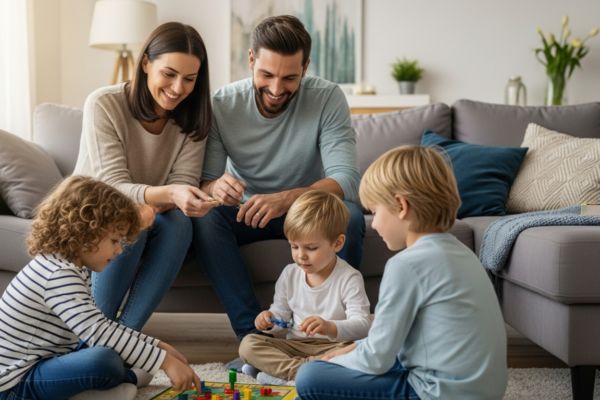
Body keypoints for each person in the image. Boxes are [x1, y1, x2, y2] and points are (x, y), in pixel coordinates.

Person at [193, 15, 366, 352]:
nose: (275, 90)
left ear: (306, 67)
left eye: (290, 78)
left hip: (307, 213)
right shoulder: (221, 104)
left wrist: (287, 199)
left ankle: (337, 338)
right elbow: (206, 182)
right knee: (205, 217)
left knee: (351, 215)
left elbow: (348, 180)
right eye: (266, 75)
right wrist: (216, 188)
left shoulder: (328, 98)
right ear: (251, 59)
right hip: (247, 212)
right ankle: (253, 338)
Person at [295, 146, 508, 400]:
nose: (373, 223)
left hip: (434, 394)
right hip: (485, 393)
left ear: (400, 206)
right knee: (369, 356)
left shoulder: (406, 265)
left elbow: (376, 360)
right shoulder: (464, 255)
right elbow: (401, 339)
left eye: (374, 212)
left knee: (309, 377)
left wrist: (339, 362)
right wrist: (354, 348)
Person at [0, 176, 201, 400]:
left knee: (107, 348)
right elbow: (98, 331)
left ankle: (94, 389)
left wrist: (160, 346)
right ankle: (119, 384)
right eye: (115, 240)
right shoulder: (58, 274)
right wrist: (164, 361)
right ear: (85, 232)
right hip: (15, 384)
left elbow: (100, 326)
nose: (119, 250)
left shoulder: (64, 265)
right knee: (101, 360)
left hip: (44, 360)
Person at [74, 22, 218, 331]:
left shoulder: (194, 118)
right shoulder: (104, 103)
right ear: (145, 63)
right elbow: (112, 188)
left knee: (178, 223)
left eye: (189, 79)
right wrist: (169, 195)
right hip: (93, 213)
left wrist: (179, 197)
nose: (178, 88)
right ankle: (95, 333)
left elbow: (184, 182)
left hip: (152, 213)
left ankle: (125, 336)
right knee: (131, 218)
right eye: (169, 74)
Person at [237, 191, 371, 386]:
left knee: (360, 351)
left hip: (334, 346)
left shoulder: (349, 277)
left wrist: (330, 326)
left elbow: (362, 325)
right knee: (248, 345)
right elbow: (280, 315)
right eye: (294, 246)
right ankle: (305, 372)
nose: (301, 256)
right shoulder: (290, 274)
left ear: (337, 243)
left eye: (311, 248)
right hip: (294, 346)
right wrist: (268, 319)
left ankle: (281, 375)